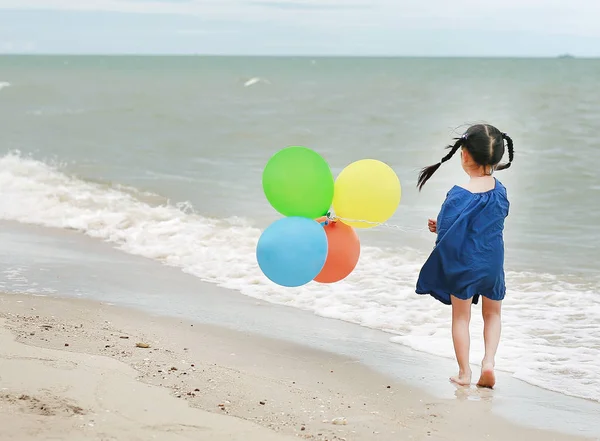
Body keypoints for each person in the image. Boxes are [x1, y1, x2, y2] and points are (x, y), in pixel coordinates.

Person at [415, 123, 514, 389]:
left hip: (464, 265)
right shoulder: (501, 191)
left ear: (465, 154)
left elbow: (446, 231)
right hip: (492, 263)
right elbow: (494, 218)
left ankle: (464, 373)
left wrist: (438, 225)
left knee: (461, 317)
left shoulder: (458, 194)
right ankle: (489, 363)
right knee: (493, 314)